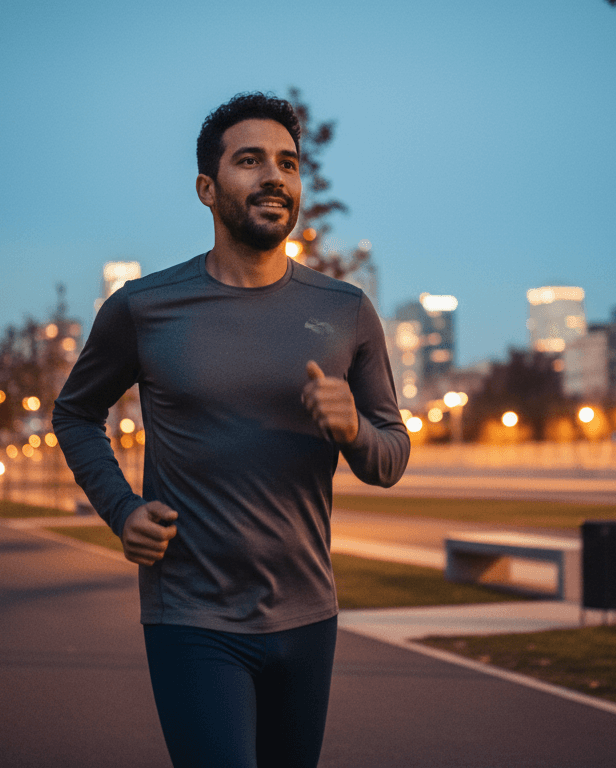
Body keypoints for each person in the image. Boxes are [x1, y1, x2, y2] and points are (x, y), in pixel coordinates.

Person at [53, 92, 409, 768]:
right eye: (250, 161)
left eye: (288, 163)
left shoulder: (347, 311)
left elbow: (390, 456)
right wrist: (120, 509)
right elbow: (74, 412)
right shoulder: (144, 307)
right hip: (191, 616)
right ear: (207, 189)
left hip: (309, 616)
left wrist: (353, 428)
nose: (274, 176)